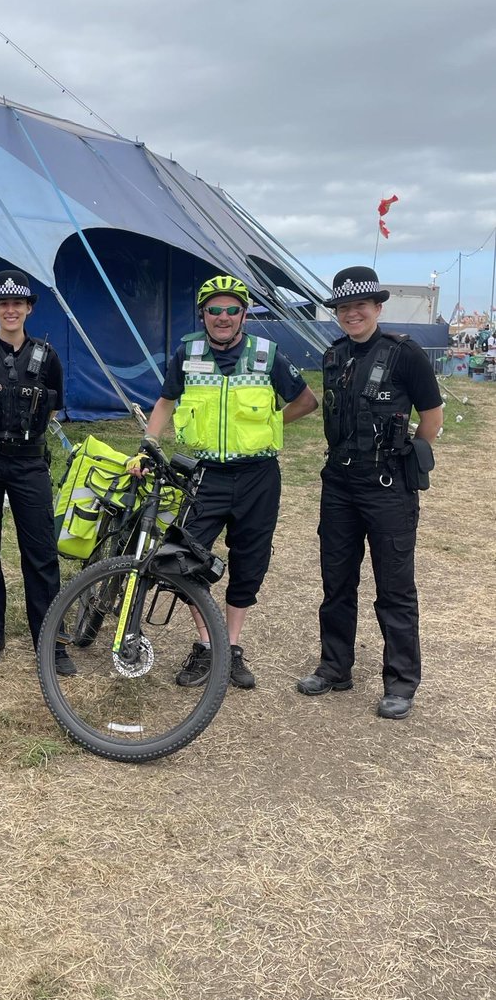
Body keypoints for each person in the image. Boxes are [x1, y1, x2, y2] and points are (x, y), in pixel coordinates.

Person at [139, 274, 318, 689]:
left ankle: (231, 647)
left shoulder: (267, 355)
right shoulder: (188, 352)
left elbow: (306, 401)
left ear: (244, 315)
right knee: (186, 559)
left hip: (258, 476)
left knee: (249, 562)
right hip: (205, 474)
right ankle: (206, 644)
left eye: (232, 309)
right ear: (203, 314)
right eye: (214, 310)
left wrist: (272, 422)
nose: (223, 317)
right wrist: (148, 442)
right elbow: (165, 402)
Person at [297, 266, 443, 719]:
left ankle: (400, 682)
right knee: (336, 581)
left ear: (377, 307)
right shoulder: (334, 355)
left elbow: (432, 417)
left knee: (394, 588)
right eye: (343, 307)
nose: (352, 314)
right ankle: (335, 667)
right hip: (339, 486)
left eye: (360, 305)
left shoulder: (405, 354)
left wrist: (404, 460)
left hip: (387, 489)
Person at [0, 269, 74, 675]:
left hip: (29, 462)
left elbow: (52, 409)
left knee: (40, 552)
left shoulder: (47, 355)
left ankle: (49, 640)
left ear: (28, 308)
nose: (10, 310)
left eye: (18, 303)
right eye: (3, 303)